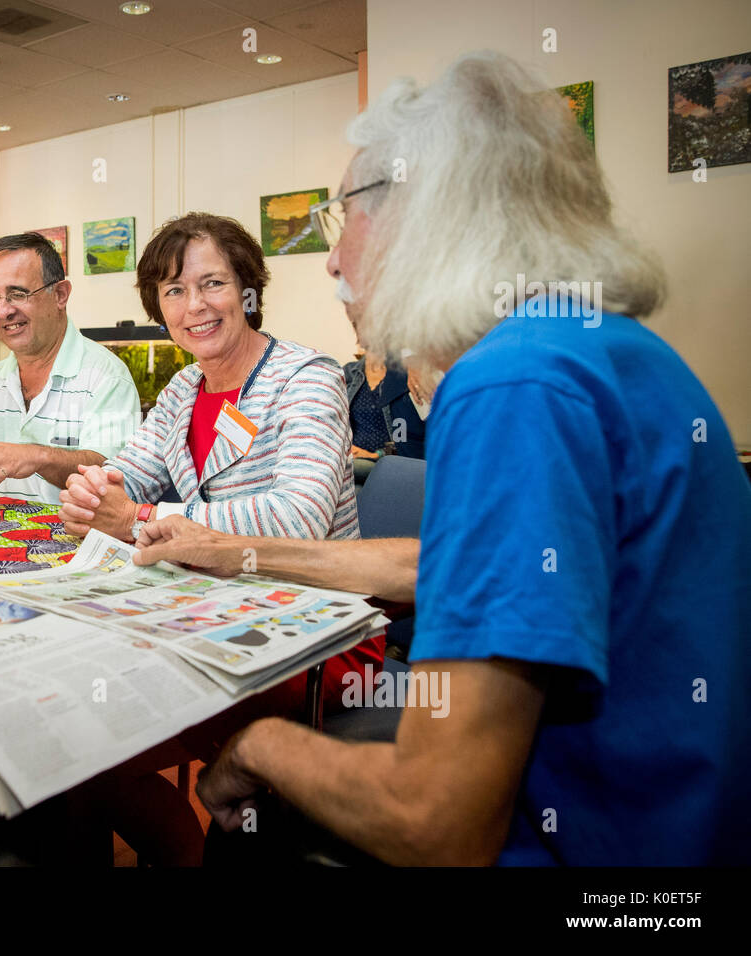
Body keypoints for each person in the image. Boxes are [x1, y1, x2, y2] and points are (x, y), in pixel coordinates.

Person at [135, 51, 751, 865]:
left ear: (426, 214)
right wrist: (231, 548)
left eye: (340, 217)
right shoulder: (588, 348)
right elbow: (461, 565)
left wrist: (258, 747)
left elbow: (438, 822)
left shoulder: (512, 383)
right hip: (689, 826)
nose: (329, 260)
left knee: (242, 825)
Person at [59, 213, 360, 544]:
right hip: (207, 583)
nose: (195, 305)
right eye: (174, 290)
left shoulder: (306, 378)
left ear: (248, 292)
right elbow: (128, 474)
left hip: (301, 587)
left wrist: (140, 518)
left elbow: (299, 518)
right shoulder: (182, 390)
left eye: (213, 283)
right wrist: (91, 494)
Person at [0, 232, 141, 504]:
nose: (3, 311)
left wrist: (37, 456)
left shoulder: (108, 378)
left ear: (60, 294)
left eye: (17, 294)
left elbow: (117, 480)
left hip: (70, 541)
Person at [344, 351, 431, 465]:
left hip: (390, 461)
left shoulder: (406, 374)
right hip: (354, 459)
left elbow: (405, 435)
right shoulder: (349, 372)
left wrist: (376, 455)